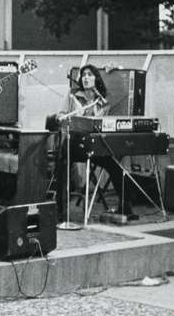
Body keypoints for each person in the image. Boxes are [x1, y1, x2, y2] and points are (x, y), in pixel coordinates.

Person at [54, 64, 134, 218]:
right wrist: (66, 117)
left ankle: (126, 205)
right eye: (83, 75)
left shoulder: (102, 102)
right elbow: (61, 115)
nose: (85, 78)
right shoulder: (72, 96)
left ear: (96, 78)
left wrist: (113, 67)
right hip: (73, 141)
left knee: (114, 166)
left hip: (92, 144)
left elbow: (99, 123)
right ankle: (60, 210)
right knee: (62, 165)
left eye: (89, 75)